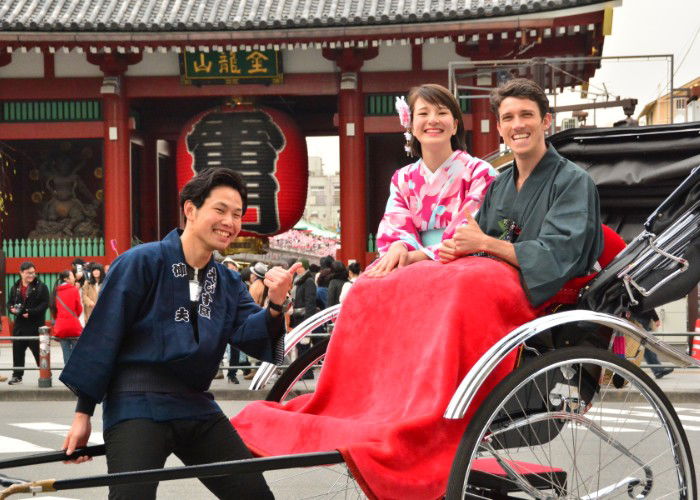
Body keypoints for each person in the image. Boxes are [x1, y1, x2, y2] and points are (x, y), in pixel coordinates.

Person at [59, 167, 297, 500]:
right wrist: (83, 415)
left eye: (237, 214)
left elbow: (250, 333)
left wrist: (274, 304)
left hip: (196, 404)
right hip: (138, 402)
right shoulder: (141, 262)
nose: (230, 221)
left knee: (254, 495)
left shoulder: (228, 282)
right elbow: (103, 335)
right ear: (190, 209)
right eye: (221, 210)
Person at [439, 78, 603, 307]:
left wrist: (484, 243)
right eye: (508, 118)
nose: (517, 125)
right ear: (499, 128)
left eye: (526, 115)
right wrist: (460, 250)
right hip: (496, 290)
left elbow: (554, 258)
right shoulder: (499, 185)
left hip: (549, 303)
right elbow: (479, 246)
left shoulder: (573, 182)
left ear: (546, 121)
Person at [367, 83, 496, 277]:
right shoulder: (402, 179)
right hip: (410, 266)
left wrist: (417, 257)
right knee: (364, 288)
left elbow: (470, 233)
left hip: (464, 266)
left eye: (442, 113)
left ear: (454, 125)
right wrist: (399, 246)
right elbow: (396, 228)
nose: (433, 120)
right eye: (423, 113)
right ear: (410, 125)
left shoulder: (480, 172)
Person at [6, 261, 49, 385]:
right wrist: (11, 309)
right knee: (18, 351)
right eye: (28, 273)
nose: (31, 275)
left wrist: (30, 312)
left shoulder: (41, 286)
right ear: (21, 273)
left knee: (39, 352)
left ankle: (45, 374)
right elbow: (9, 303)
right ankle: (17, 375)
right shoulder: (15, 287)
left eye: (33, 272)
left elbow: (44, 304)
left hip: (35, 325)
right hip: (19, 325)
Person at [50, 270, 83, 363]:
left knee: (65, 351)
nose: (74, 278)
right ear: (66, 279)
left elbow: (53, 308)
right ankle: (74, 373)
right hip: (73, 326)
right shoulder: (74, 289)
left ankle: (66, 373)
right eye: (72, 276)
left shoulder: (55, 291)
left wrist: (59, 319)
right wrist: (73, 317)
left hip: (61, 326)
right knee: (76, 351)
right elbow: (79, 308)